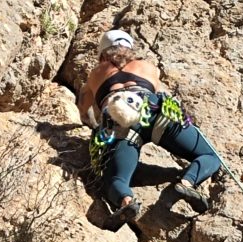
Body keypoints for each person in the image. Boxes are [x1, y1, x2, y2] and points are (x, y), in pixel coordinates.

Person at [77, 30, 221, 229]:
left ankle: (126, 202)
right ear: (129, 48)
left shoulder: (95, 74)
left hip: (119, 121)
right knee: (210, 156)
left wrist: (95, 126)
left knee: (114, 179)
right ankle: (186, 184)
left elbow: (84, 113)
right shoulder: (147, 66)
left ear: (102, 53)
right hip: (155, 112)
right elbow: (154, 87)